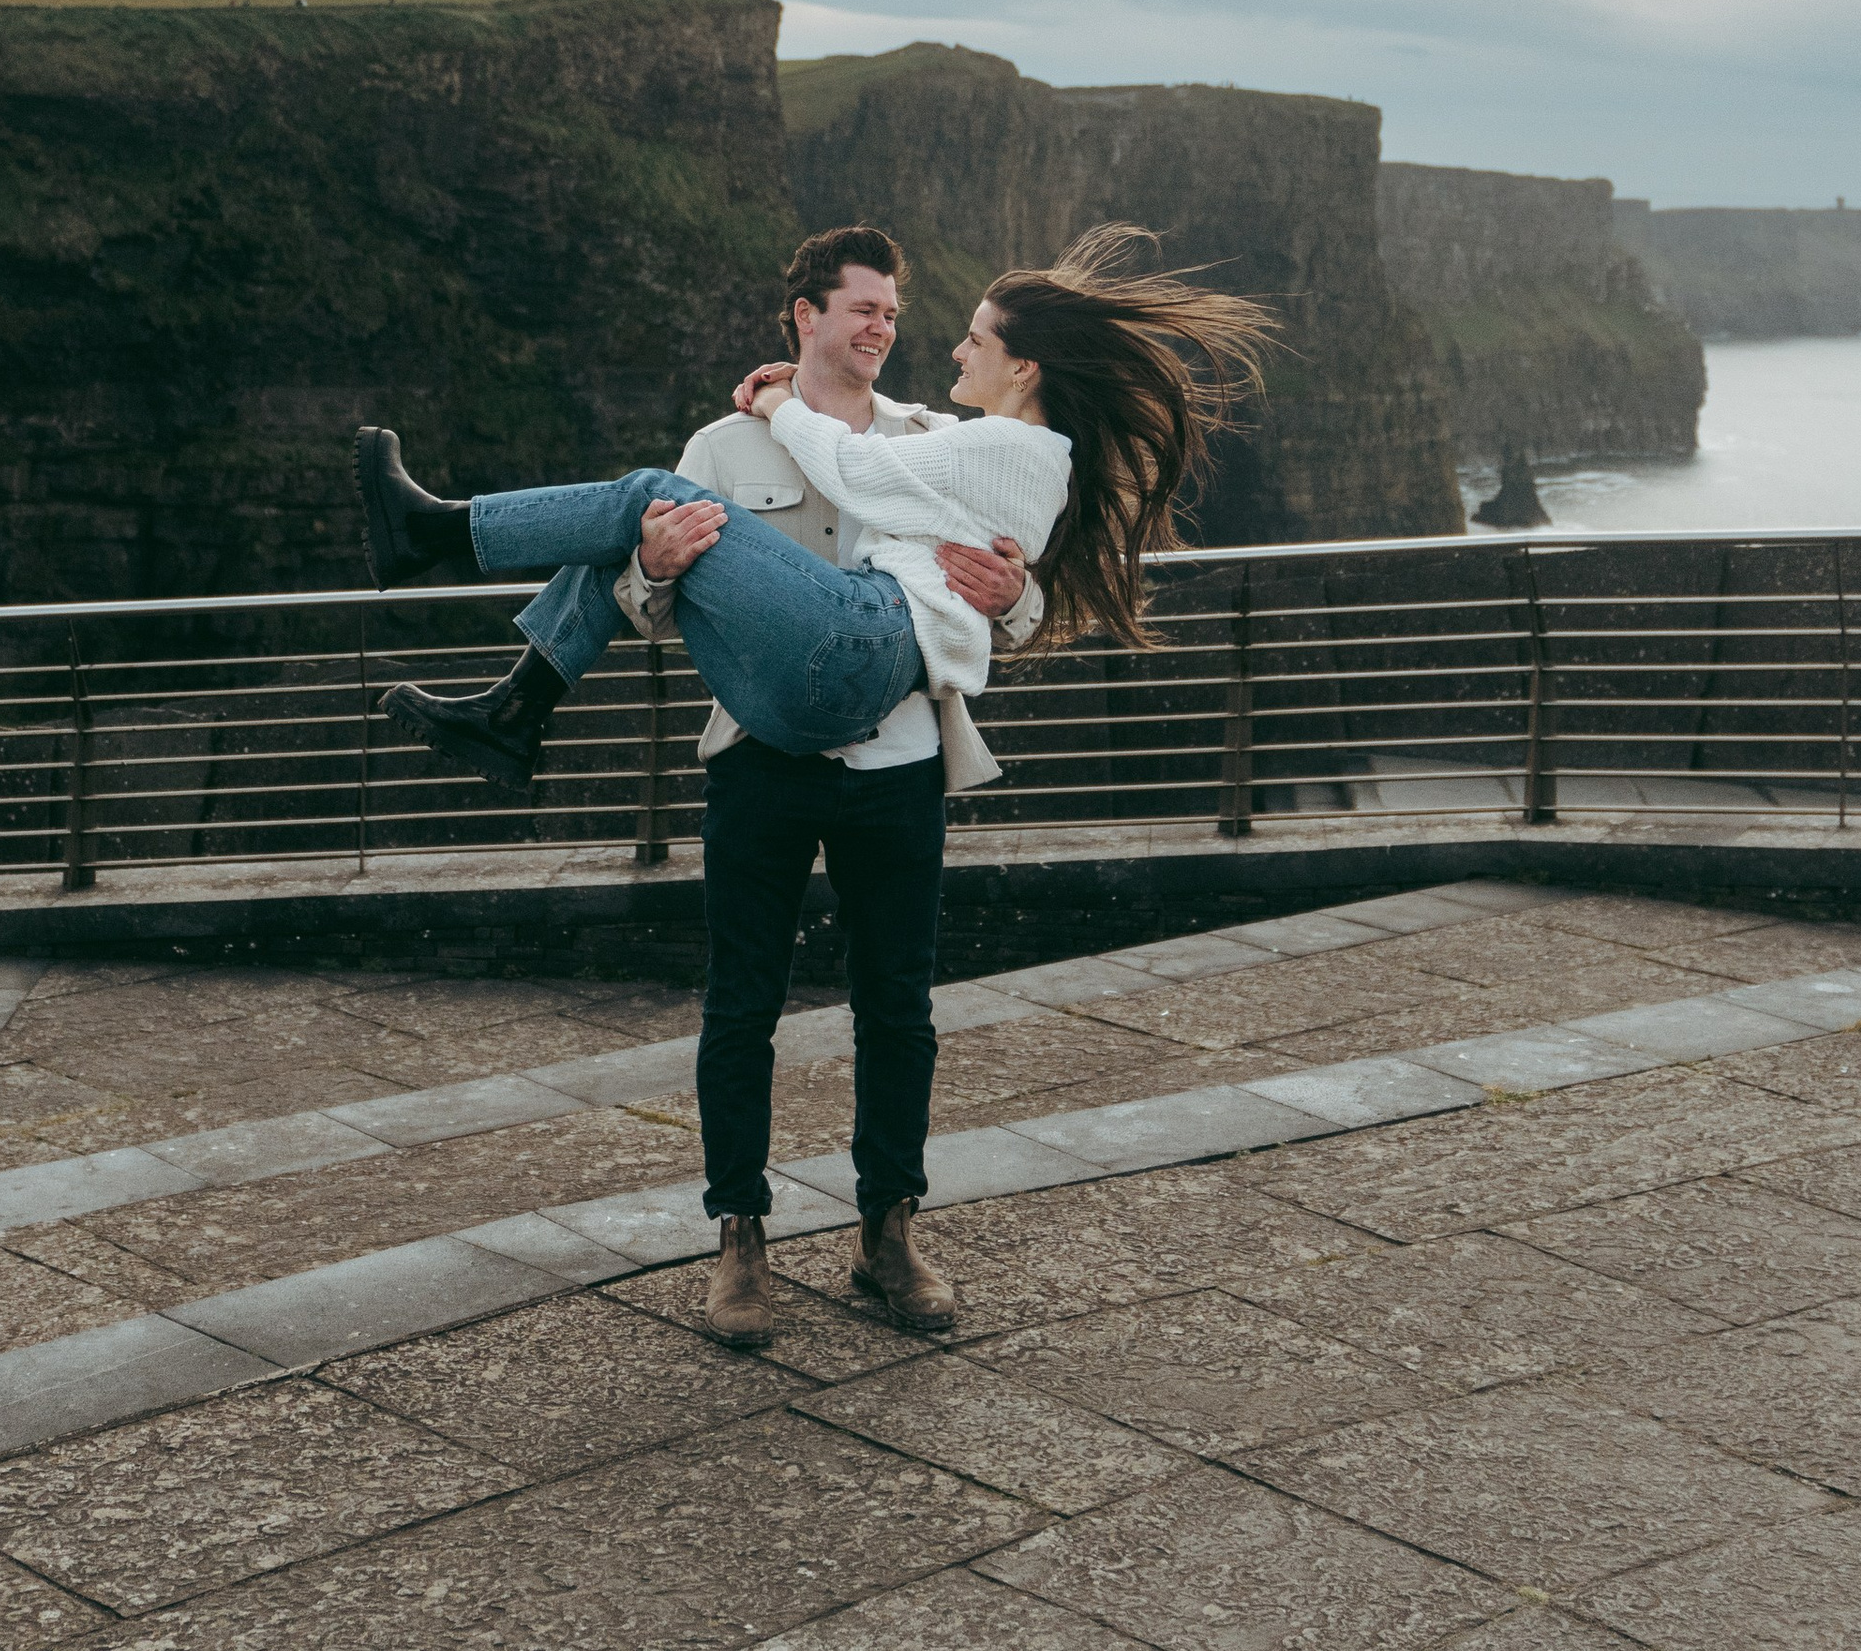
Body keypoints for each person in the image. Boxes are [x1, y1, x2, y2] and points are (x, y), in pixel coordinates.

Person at [352, 221, 1271, 1344]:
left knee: (899, 1008)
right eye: (865, 310)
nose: (888, 330)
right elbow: (646, 606)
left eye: (897, 312)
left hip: (894, 752)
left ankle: (888, 1233)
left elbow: (1015, 591)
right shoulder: (722, 448)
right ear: (807, 319)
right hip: (763, 752)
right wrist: (651, 565)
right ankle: (738, 1240)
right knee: (739, 1005)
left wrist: (1011, 596)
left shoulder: (940, 434)